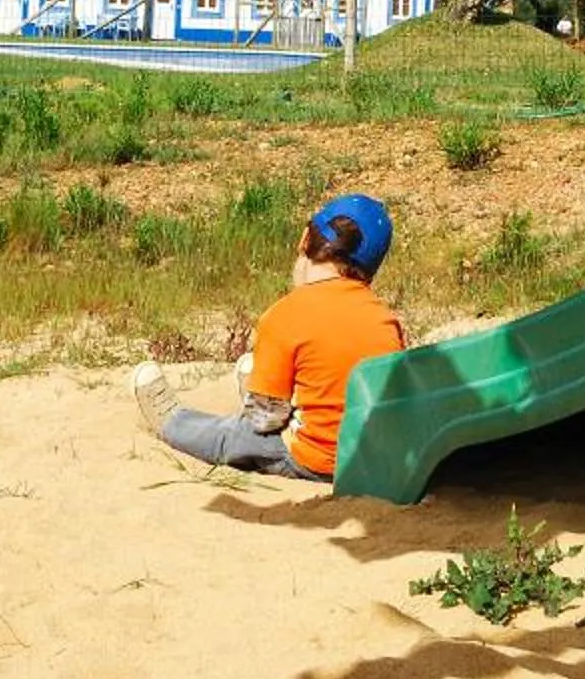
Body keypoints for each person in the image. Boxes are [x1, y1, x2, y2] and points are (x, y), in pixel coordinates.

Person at [135, 193, 405, 481]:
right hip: (369, 460)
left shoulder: (286, 315)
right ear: (372, 271)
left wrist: (263, 410)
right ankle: (268, 384)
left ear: (304, 239)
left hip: (313, 460)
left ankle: (172, 421)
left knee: (235, 435)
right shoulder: (385, 320)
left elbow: (266, 421)